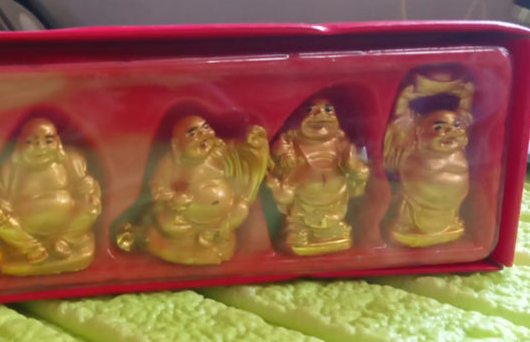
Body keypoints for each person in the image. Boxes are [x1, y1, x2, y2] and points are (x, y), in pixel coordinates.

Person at [116, 116, 270, 265]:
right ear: (177, 145)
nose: (203, 135)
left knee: (241, 208)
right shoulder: (172, 162)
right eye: (193, 134)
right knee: (167, 223)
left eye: (206, 127)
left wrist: (253, 146)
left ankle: (213, 233)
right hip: (187, 215)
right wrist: (174, 197)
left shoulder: (218, 152)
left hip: (220, 216)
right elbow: (158, 187)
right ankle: (194, 239)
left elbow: (238, 154)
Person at [0, 118, 101, 275]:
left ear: (58, 142)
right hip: (24, 225)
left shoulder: (71, 161)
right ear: (21, 144)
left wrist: (88, 187)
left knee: (92, 205)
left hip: (67, 221)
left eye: (48, 141)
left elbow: (86, 184)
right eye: (32, 142)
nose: (41, 148)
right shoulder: (11, 168)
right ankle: (30, 247)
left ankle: (65, 241)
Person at [267, 98, 370, 255]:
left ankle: (333, 229)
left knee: (334, 221)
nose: (321, 115)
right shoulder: (291, 142)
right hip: (302, 193)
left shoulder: (340, 142)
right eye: (311, 110)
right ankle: (299, 229)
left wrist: (353, 165)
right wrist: (286, 159)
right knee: (298, 217)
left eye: (328, 110)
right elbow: (278, 160)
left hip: (336, 193)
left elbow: (356, 166)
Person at [383, 70, 473, 247]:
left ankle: (449, 224)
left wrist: (466, 98)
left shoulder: (458, 145)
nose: (451, 131)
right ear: (419, 132)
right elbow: (400, 123)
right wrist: (403, 99)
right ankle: (408, 225)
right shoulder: (413, 141)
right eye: (439, 127)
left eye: (455, 126)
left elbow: (465, 117)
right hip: (417, 204)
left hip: (451, 208)